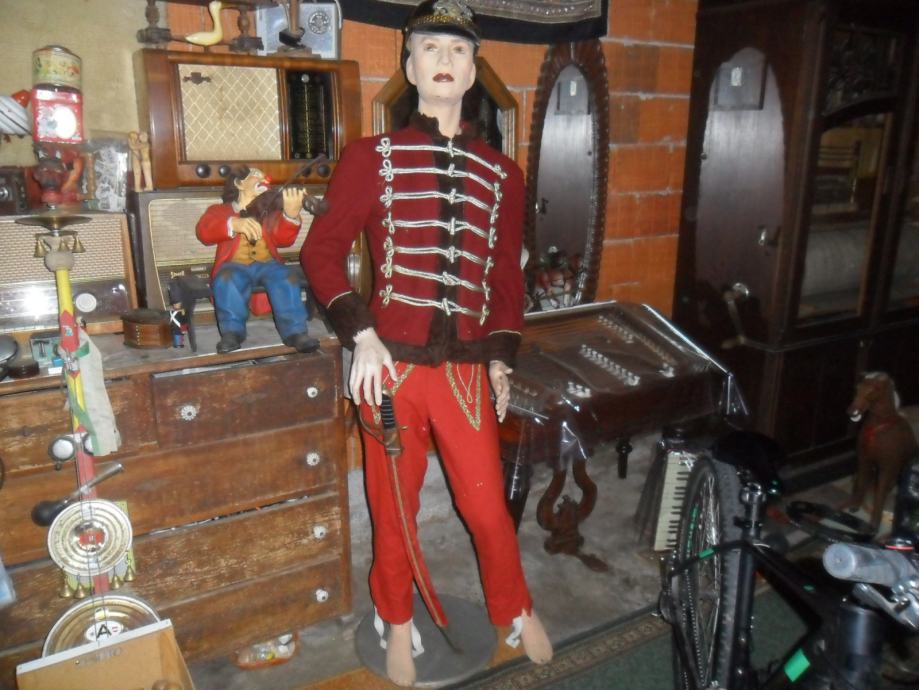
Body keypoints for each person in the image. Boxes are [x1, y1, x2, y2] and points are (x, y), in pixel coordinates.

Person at [302, 1, 552, 685]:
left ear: (473, 71)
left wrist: (499, 357)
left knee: (486, 505)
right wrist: (361, 335)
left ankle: (515, 605)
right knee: (393, 509)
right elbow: (321, 253)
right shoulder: (369, 158)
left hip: (465, 373)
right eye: (431, 49)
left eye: (459, 51)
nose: (445, 61)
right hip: (387, 370)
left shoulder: (502, 174)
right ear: (410, 66)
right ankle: (396, 618)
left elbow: (506, 279)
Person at [197, 166, 319, 354]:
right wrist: (233, 223)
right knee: (226, 279)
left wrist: (290, 215)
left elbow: (283, 240)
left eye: (265, 176)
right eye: (256, 176)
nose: (265, 180)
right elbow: (204, 232)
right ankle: (231, 332)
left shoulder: (269, 212)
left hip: (267, 264)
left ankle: (296, 332)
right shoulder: (219, 211)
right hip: (235, 265)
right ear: (239, 183)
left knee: (287, 278)